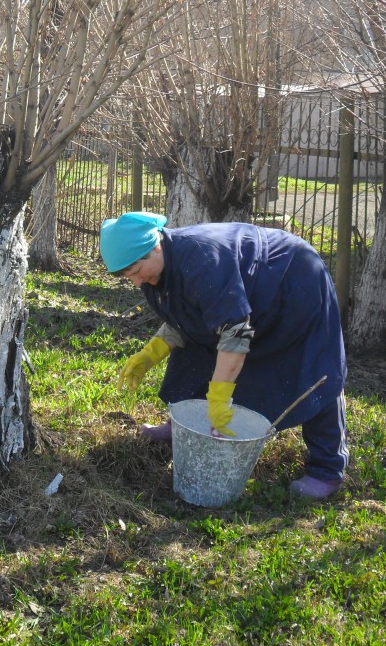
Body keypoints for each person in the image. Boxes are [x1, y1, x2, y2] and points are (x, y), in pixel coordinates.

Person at [100, 211, 348, 500]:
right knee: (195, 348)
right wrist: (150, 353)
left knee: (311, 372)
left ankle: (327, 469)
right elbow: (188, 317)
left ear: (154, 246)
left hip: (293, 285)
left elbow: (235, 333)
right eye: (127, 276)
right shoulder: (156, 271)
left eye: (135, 271)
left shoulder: (202, 260)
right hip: (244, 303)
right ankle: (182, 428)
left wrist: (219, 397)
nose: (135, 282)